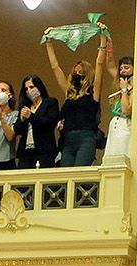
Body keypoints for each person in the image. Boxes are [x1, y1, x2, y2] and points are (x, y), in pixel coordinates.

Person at [44, 24, 107, 166]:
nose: (77, 75)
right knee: (65, 173)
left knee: (79, 172)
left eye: (80, 72)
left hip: (86, 138)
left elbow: (100, 64)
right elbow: (55, 68)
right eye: (75, 72)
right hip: (68, 140)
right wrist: (49, 43)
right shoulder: (69, 93)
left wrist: (102, 37)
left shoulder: (93, 93)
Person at [14, 76, 61, 169]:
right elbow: (17, 130)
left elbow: (49, 124)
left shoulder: (50, 103)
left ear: (39, 87)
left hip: (44, 151)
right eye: (26, 89)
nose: (29, 91)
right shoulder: (25, 106)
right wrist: (22, 120)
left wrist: (31, 116)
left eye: (31, 87)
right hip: (26, 152)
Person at [102, 48, 134, 160]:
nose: (123, 71)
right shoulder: (120, 83)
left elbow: (126, 110)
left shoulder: (134, 88)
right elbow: (110, 66)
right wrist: (109, 48)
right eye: (121, 68)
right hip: (114, 127)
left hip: (126, 126)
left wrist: (124, 90)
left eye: (127, 67)